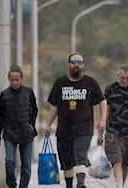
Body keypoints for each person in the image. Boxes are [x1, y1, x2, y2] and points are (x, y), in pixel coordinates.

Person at [44, 53, 107, 188]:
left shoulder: (90, 83)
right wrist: (48, 124)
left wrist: (103, 120)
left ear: (83, 65)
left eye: (79, 62)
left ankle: (81, 184)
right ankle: (69, 186)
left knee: (80, 157)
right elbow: (54, 106)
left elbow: (102, 101)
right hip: (63, 130)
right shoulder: (60, 83)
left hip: (84, 129)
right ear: (69, 65)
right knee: (67, 163)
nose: (77, 65)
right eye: (74, 62)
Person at [0, 65, 38, 188]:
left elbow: (35, 109)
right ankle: (11, 184)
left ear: (21, 79)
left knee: (26, 166)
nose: (14, 82)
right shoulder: (4, 95)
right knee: (9, 161)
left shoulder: (29, 92)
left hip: (26, 133)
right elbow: (1, 117)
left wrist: (32, 124)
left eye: (17, 79)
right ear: (9, 79)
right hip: (9, 133)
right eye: (12, 80)